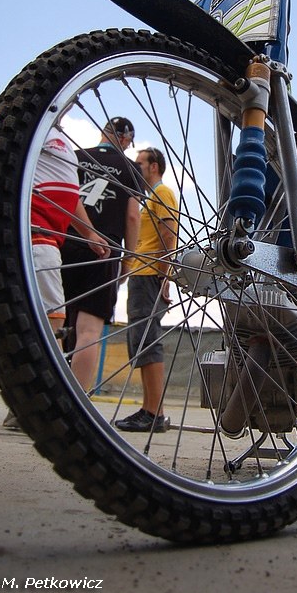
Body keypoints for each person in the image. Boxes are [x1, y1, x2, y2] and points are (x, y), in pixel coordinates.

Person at [0, 128, 109, 425]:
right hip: (35, 235)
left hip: (38, 238)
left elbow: (71, 196)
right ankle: (47, 407)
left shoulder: (62, 142)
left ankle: (31, 406)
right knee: (52, 324)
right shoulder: (36, 127)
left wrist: (89, 233)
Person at [61, 117, 142, 392]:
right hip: (105, 251)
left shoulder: (75, 156)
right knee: (89, 331)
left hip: (65, 243)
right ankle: (76, 402)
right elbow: (133, 216)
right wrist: (128, 260)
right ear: (126, 139)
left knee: (52, 322)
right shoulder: (130, 168)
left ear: (103, 132)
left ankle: (38, 392)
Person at [115, 147, 178, 433]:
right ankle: (150, 410)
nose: (135, 167)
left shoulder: (162, 193)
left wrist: (164, 276)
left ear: (154, 166)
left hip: (150, 274)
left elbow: (169, 233)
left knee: (148, 341)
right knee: (141, 342)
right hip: (143, 274)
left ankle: (154, 413)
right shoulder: (150, 197)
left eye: (140, 163)